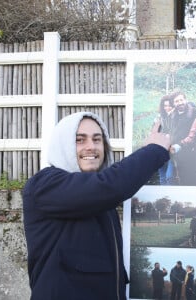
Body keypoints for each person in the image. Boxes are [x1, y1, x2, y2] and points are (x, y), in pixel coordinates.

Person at [22, 111, 171, 300]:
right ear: (62, 144)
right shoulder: (44, 184)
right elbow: (110, 186)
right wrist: (154, 150)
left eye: (97, 139)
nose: (91, 147)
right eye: (80, 140)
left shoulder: (100, 196)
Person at [169, 90, 196, 185]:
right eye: (176, 101)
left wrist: (181, 144)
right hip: (177, 153)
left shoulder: (195, 113)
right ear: (173, 103)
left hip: (192, 152)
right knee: (181, 180)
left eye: (181, 100)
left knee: (192, 180)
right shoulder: (172, 115)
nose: (180, 103)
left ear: (185, 100)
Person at [157, 94, 175, 185]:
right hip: (161, 149)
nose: (167, 108)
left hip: (171, 150)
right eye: (165, 106)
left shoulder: (175, 117)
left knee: (169, 176)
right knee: (162, 176)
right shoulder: (160, 117)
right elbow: (155, 133)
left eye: (169, 105)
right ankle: (163, 198)